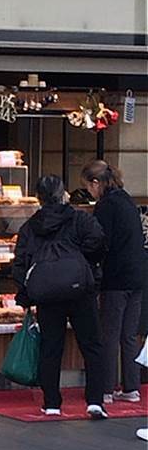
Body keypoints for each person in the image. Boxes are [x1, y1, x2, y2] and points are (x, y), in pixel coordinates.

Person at [13, 174, 108, 418]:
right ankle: (95, 400)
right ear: (63, 193)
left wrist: (25, 294)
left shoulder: (31, 226)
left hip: (47, 294)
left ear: (38, 198)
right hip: (80, 291)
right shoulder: (79, 219)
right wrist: (84, 264)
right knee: (92, 345)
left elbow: (21, 261)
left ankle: (52, 402)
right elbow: (98, 242)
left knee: (51, 346)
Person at [81, 160, 147, 404]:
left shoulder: (106, 206)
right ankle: (131, 387)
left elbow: (100, 241)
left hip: (116, 277)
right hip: (138, 275)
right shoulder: (127, 200)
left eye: (88, 186)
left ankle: (105, 388)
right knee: (129, 335)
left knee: (108, 334)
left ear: (96, 183)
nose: (89, 191)